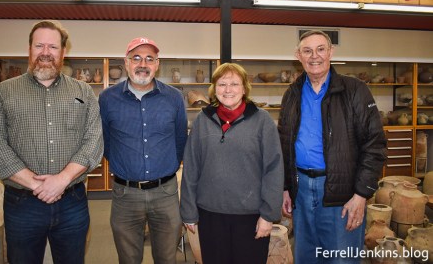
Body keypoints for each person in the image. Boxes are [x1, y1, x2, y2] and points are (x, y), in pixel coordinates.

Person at [0, 20, 104, 264]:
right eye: (39, 45)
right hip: (22, 203)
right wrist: (37, 184)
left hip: (72, 201)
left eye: (53, 47)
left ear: (63, 51)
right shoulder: (4, 92)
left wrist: (61, 180)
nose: (46, 52)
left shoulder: (84, 92)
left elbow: (94, 141)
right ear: (29, 49)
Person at [278, 30, 387, 263]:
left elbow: (375, 144)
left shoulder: (354, 90)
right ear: (298, 56)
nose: (314, 56)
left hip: (342, 193)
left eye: (320, 49)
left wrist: (361, 194)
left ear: (331, 52)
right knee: (306, 256)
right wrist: (286, 187)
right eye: (307, 51)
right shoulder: (292, 94)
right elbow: (284, 143)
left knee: (340, 258)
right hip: (301, 191)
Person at [180, 62, 284, 264]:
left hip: (251, 217)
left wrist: (268, 215)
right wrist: (188, 211)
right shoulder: (203, 120)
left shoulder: (262, 121)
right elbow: (191, 168)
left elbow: (274, 169)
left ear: (244, 88)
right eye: (222, 84)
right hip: (210, 215)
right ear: (214, 89)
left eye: (234, 84)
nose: (228, 90)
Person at [99, 37, 187, 264]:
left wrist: (166, 167)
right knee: (128, 259)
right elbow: (105, 142)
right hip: (125, 195)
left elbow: (180, 140)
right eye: (136, 58)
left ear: (157, 64)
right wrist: (125, 166)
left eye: (150, 59)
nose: (143, 64)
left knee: (167, 258)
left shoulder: (174, 98)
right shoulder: (107, 99)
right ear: (126, 63)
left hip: (165, 193)